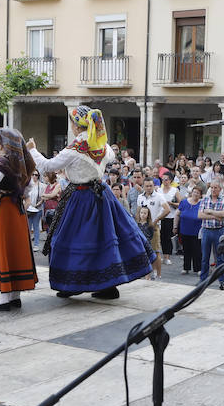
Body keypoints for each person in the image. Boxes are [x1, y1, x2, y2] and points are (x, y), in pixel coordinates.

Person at [28, 105, 154, 299]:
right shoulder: (101, 145)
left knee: (70, 240)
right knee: (104, 240)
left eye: (71, 122)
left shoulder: (74, 149)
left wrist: (33, 150)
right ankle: (107, 286)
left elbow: (47, 166)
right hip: (102, 195)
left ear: (75, 125)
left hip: (81, 198)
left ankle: (72, 284)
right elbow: (111, 155)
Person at [0, 127, 38, 310]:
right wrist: (22, 196)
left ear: (4, 146)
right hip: (17, 212)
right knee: (16, 249)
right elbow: (30, 187)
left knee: (3, 249)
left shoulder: (2, 164)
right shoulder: (25, 163)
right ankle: (15, 296)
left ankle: (4, 299)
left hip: (3, 211)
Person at [137, 179, 170, 280]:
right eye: (146, 186)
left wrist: (156, 221)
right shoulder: (140, 197)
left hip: (153, 227)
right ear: (143, 186)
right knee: (144, 252)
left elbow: (167, 209)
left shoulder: (159, 196)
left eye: (150, 186)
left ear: (153, 186)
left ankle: (158, 274)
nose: (149, 188)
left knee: (156, 251)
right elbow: (138, 211)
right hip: (142, 227)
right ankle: (147, 274)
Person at [198, 179, 224, 282]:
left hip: (219, 231)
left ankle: (222, 280)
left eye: (215, 187)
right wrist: (216, 216)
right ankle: (203, 280)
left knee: (220, 257)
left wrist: (210, 212)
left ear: (220, 189)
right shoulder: (205, 199)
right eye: (211, 187)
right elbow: (200, 215)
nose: (213, 189)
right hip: (206, 230)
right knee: (204, 257)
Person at [175, 184, 203, 275]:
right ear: (191, 193)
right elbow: (177, 214)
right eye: (194, 192)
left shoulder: (202, 203)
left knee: (197, 251)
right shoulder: (184, 202)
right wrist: (175, 226)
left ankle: (198, 268)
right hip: (184, 230)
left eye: (198, 193)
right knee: (186, 250)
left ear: (200, 195)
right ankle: (186, 267)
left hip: (197, 231)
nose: (195, 194)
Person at [157, 172, 180, 266]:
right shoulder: (159, 190)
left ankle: (167, 257)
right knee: (162, 237)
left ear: (170, 180)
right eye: (162, 179)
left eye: (166, 179)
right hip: (161, 215)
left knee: (168, 237)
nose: (164, 181)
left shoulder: (174, 190)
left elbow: (181, 204)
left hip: (171, 216)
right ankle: (164, 255)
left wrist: (171, 203)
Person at [24, 170, 45, 252]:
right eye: (32, 174)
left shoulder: (42, 185)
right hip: (28, 208)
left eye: (36, 175)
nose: (34, 176)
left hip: (37, 208)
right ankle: (27, 244)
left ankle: (36, 244)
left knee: (36, 227)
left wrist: (37, 204)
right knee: (27, 227)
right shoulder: (27, 184)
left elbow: (43, 198)